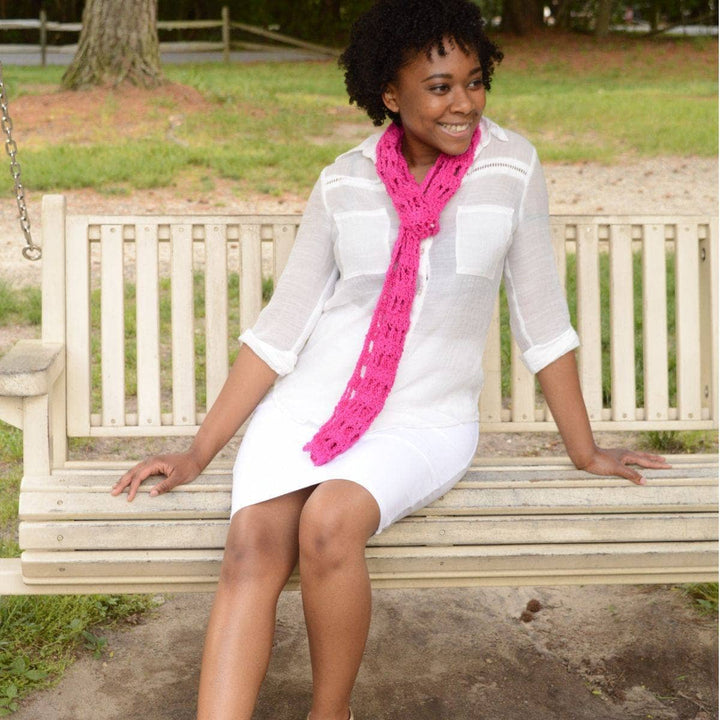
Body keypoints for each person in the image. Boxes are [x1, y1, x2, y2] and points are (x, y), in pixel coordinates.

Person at [111, 1, 669, 718]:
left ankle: (329, 713)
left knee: (327, 522)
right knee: (251, 544)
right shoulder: (343, 183)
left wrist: (585, 451)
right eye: (439, 87)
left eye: (474, 81)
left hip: (424, 420)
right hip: (312, 407)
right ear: (390, 93)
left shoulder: (511, 168)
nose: (463, 102)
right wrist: (196, 453)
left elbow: (544, 320)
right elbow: (281, 331)